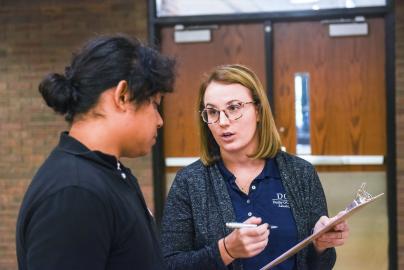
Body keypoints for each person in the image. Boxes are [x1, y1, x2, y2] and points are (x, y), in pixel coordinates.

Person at [161, 64, 349, 270]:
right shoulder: (189, 181)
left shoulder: (301, 173)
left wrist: (320, 246)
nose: (222, 121)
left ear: (258, 111)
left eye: (233, 108)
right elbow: (169, 264)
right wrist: (225, 250)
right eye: (212, 112)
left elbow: (322, 265)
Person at [16, 35, 175, 270]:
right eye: (154, 103)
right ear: (123, 96)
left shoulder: (108, 173)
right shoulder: (74, 193)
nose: (160, 121)